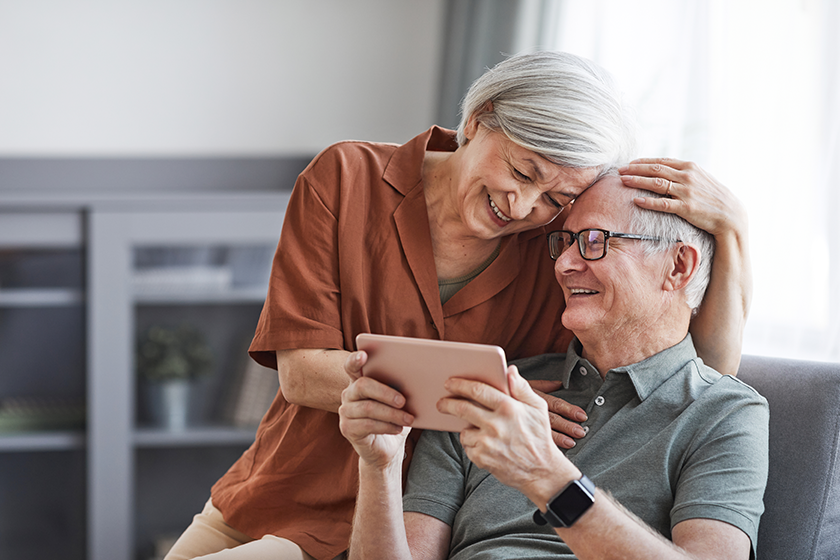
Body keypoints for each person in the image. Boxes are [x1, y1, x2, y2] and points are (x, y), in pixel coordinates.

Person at [165, 51, 752, 560]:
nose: (523, 206)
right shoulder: (345, 178)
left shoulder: (550, 251)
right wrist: (474, 397)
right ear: (477, 120)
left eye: (556, 198)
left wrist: (733, 229)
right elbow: (301, 373)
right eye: (523, 171)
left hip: (400, 523)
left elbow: (696, 368)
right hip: (283, 487)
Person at [339, 174, 769, 560]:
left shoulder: (725, 412)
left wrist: (546, 475)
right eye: (563, 242)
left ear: (678, 266)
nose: (564, 264)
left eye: (594, 241)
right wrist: (380, 467)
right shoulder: (494, 388)